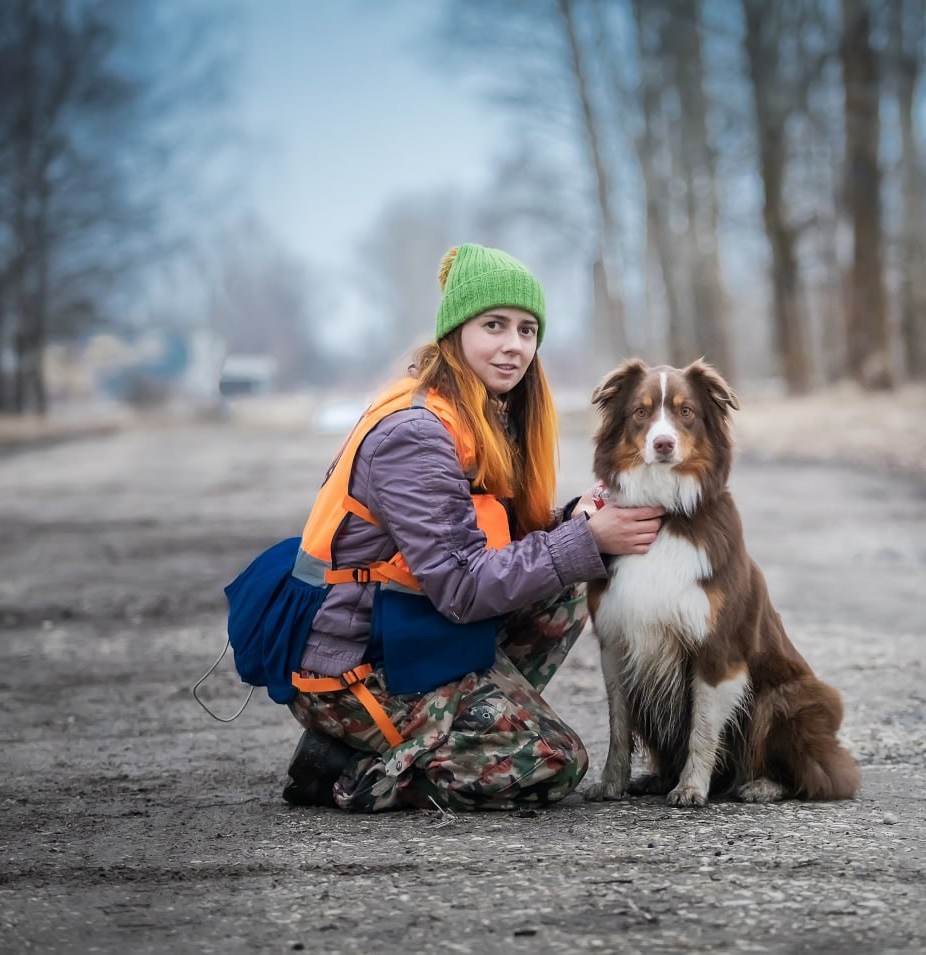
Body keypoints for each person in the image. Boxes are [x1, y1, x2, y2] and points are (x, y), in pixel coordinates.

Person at [281, 243, 663, 812]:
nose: (515, 345)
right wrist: (587, 539)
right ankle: (350, 765)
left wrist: (572, 521)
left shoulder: (476, 412)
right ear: (455, 330)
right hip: (359, 670)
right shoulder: (417, 434)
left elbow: (485, 545)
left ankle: (460, 725)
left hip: (413, 636)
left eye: (528, 330)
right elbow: (461, 587)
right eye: (494, 325)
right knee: (552, 761)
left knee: (567, 583)